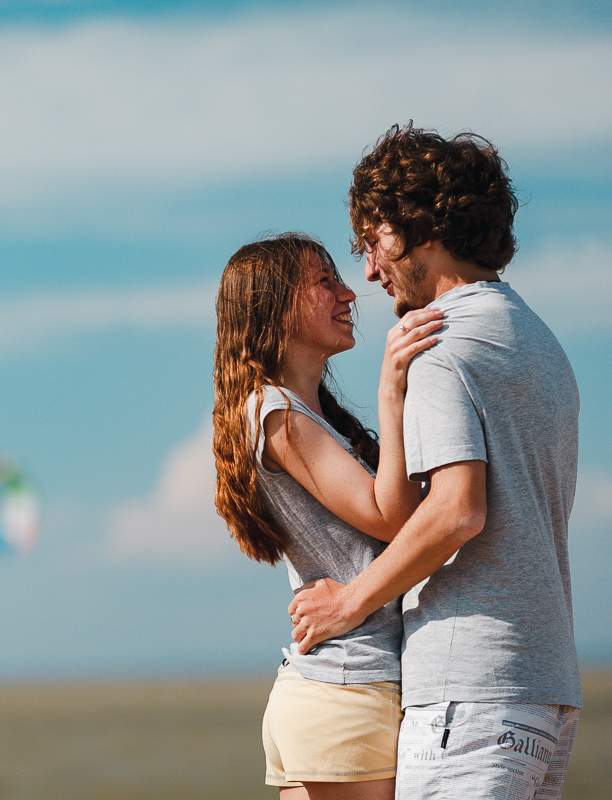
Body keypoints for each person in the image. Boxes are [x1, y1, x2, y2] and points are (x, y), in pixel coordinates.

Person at [289, 124, 582, 799]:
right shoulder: (537, 341)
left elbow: (457, 511)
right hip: (546, 693)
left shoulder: (441, 347)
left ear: (420, 229)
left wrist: (349, 603)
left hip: (470, 699)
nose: (366, 270)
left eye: (372, 242)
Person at [213, 232, 444, 799]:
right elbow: (392, 518)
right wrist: (392, 391)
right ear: (273, 307)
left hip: (326, 696)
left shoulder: (306, 417)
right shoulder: (277, 414)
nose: (350, 294)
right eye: (325, 282)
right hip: (348, 692)